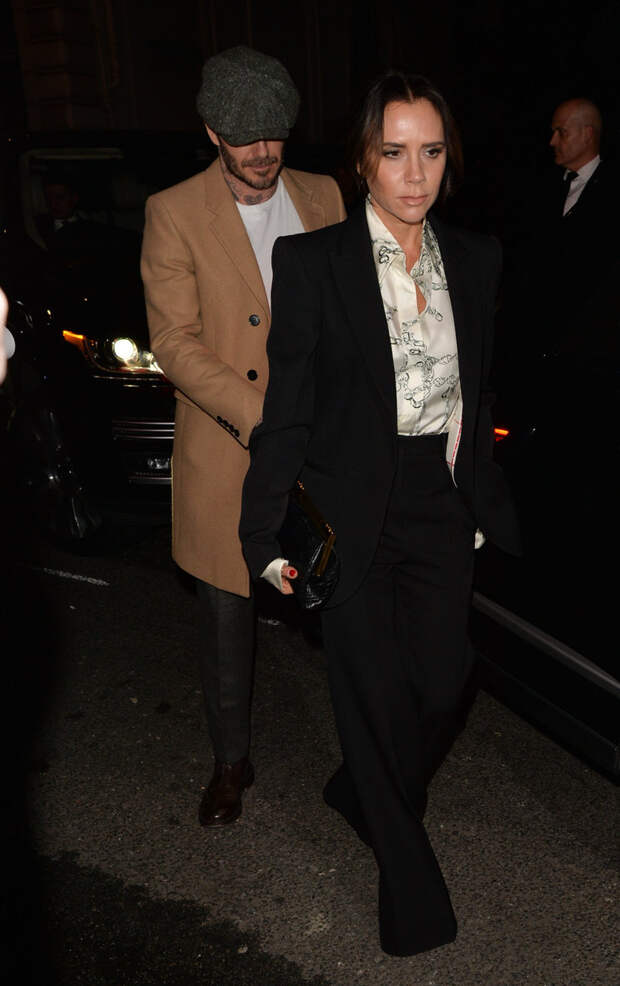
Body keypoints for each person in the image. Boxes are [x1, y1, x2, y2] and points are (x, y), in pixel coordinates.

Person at [240, 71, 520, 956]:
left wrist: (474, 490)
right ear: (364, 160)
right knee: (370, 699)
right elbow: (287, 410)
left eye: (431, 152)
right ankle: (411, 898)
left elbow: (479, 390)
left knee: (442, 680)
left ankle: (360, 790)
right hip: (350, 505)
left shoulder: (475, 259)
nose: (415, 173)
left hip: (437, 501)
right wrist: (261, 531)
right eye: (394, 152)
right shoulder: (315, 264)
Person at [140, 46, 345, 828]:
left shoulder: (324, 194)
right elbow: (174, 340)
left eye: (273, 135)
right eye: (243, 137)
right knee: (228, 616)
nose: (261, 152)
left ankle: (363, 749)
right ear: (211, 132)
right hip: (231, 444)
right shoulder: (174, 211)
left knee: (340, 597)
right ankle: (231, 761)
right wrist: (265, 418)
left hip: (323, 445)